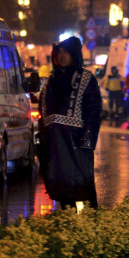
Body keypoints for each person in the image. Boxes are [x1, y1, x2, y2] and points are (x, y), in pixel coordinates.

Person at [39, 37, 102, 209]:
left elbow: (94, 110)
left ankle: (93, 226)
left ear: (73, 54)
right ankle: (69, 225)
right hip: (55, 144)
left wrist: (88, 139)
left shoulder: (85, 78)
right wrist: (42, 140)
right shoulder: (51, 81)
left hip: (76, 142)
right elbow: (42, 112)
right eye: (59, 53)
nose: (62, 56)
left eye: (65, 52)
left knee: (83, 186)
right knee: (62, 188)